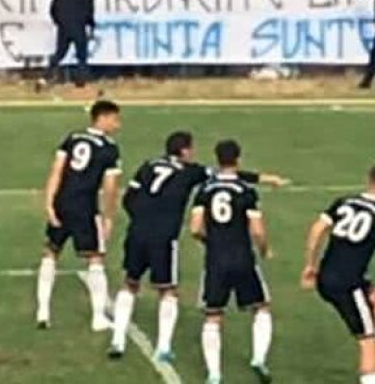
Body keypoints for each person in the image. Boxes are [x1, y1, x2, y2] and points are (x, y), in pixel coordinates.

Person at [108, 132, 288, 361]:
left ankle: (118, 339)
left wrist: (141, 217)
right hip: (163, 237)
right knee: (167, 290)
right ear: (184, 151)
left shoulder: (148, 166)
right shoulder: (189, 171)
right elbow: (226, 174)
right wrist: (264, 178)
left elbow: (128, 198)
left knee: (130, 282)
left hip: (137, 232)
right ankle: (163, 347)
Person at [301, 163, 375, 384]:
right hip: (348, 284)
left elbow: (317, 230)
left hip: (326, 276)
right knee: (366, 340)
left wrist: (310, 265)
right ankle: (373, 366)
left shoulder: (344, 202)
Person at [190, 140, 274, 384]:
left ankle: (214, 374)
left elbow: (195, 228)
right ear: (238, 158)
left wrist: (210, 241)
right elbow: (257, 230)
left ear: (217, 159)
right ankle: (259, 359)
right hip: (243, 257)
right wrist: (265, 249)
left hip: (215, 259)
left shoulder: (205, 190)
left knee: (213, 315)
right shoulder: (246, 190)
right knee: (261, 307)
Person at [36, 100, 123, 332]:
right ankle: (98, 317)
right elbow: (110, 186)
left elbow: (56, 171)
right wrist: (108, 216)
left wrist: (49, 202)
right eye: (115, 119)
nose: (118, 125)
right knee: (95, 258)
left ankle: (43, 311)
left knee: (51, 251)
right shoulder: (109, 148)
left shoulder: (72, 138)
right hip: (85, 207)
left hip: (62, 202)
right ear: (102, 118)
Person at [45, 0, 95, 88]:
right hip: (78, 27)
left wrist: (59, 22)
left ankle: (46, 76)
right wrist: (90, 23)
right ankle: (81, 81)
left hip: (64, 27)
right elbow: (89, 9)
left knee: (60, 53)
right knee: (81, 55)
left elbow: (53, 9)